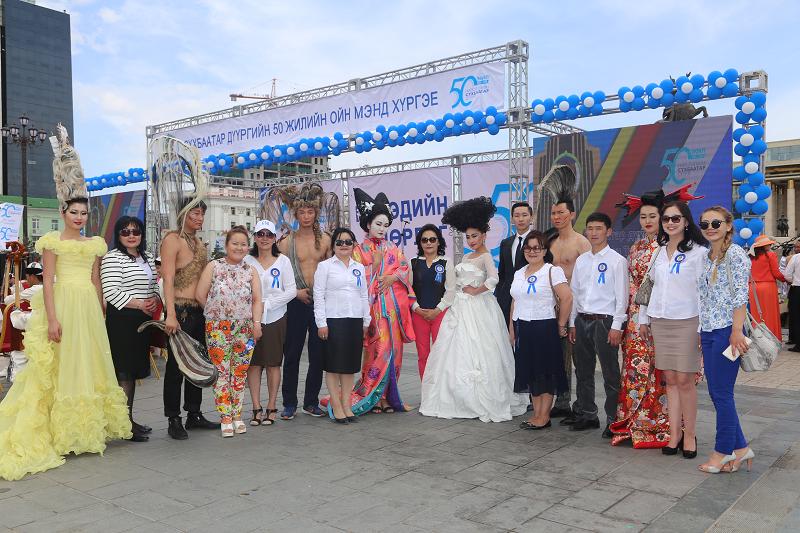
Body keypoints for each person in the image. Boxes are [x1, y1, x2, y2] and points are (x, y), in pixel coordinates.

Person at [0, 126, 131, 480]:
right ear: (64, 212)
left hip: (88, 306)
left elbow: (96, 279)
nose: (79, 218)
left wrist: (101, 308)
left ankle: (88, 429)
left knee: (89, 361)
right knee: (63, 363)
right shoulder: (52, 242)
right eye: (74, 212)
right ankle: (62, 430)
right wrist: (53, 320)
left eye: (84, 213)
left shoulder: (95, 244)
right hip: (64, 304)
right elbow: (48, 282)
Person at [420, 197, 528, 422]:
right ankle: (456, 397)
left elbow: (494, 279)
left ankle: (482, 398)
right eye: (468, 237)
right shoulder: (467, 256)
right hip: (461, 307)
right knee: (456, 350)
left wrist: (476, 291)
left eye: (475, 236)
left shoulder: (486, 256)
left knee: (483, 348)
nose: (471, 240)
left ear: (484, 235)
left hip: (480, 307)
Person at [610, 186, 701, 448]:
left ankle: (666, 426)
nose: (648, 221)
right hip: (640, 316)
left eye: (654, 216)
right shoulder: (637, 247)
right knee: (637, 371)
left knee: (667, 375)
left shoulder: (672, 247)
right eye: (643, 217)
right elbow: (636, 286)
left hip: (674, 317)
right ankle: (636, 422)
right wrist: (633, 317)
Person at [335, 188, 415, 415]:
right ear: (368, 224)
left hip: (392, 311)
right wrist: (376, 266)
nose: (382, 229)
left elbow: (404, 269)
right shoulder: (358, 251)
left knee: (395, 353)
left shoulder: (394, 249)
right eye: (378, 224)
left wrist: (392, 278)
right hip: (373, 310)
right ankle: (372, 396)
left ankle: (387, 398)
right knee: (378, 350)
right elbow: (356, 279)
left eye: (385, 225)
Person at [639, 201, 708, 459]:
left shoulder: (699, 253)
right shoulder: (658, 252)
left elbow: (704, 292)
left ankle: (690, 435)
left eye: (675, 218)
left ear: (686, 221)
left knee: (685, 381)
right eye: (666, 219)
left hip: (688, 321)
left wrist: (702, 327)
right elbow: (649, 287)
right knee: (670, 380)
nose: (670, 223)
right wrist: (643, 319)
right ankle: (674, 435)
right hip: (660, 321)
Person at [697, 206, 754, 473]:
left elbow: (740, 296)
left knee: (722, 394)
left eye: (716, 223)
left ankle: (722, 452)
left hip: (728, 331)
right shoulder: (707, 256)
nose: (710, 228)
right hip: (709, 330)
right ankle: (740, 448)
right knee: (716, 392)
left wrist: (736, 331)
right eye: (705, 224)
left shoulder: (736, 254)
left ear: (728, 225)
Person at [160, 198, 220, 439]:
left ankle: (194, 413)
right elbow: (168, 278)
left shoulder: (198, 242)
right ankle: (173, 418)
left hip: (199, 311)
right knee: (176, 367)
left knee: (199, 363)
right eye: (194, 213)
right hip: (180, 310)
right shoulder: (172, 239)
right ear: (183, 214)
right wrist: (170, 314)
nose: (199, 218)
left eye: (201, 214)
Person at [195, 226, 262, 437]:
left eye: (243, 244)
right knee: (221, 372)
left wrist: (257, 323)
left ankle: (237, 415)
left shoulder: (251, 271)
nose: (239, 248)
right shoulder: (214, 266)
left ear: (248, 247)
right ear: (226, 245)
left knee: (240, 372)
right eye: (235, 243)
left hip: (245, 329)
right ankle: (225, 417)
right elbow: (200, 295)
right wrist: (216, 312)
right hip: (217, 329)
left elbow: (257, 300)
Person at [567, 212, 628, 437]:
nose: (593, 233)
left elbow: (622, 297)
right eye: (590, 228)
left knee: (610, 374)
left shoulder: (617, 261)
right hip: (582, 320)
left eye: (598, 228)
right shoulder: (582, 260)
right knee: (583, 371)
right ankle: (587, 414)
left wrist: (617, 326)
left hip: (605, 322)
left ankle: (613, 420)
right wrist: (572, 322)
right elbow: (574, 292)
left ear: (608, 231)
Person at [100, 216, 160, 443]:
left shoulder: (148, 257)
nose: (131, 235)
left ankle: (129, 420)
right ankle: (125, 425)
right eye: (125, 232)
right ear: (118, 235)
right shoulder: (112, 258)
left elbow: (154, 286)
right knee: (124, 373)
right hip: (122, 321)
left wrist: (154, 299)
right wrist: (139, 303)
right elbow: (110, 291)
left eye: (136, 231)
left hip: (142, 321)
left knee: (133, 372)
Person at [276, 184, 332, 419]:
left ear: (316, 213)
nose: (306, 216)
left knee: (318, 355)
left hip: (319, 302)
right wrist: (295, 292)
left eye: (310, 212)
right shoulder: (285, 242)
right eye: (302, 212)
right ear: (296, 214)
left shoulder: (326, 240)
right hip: (296, 301)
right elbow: (278, 276)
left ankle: (311, 402)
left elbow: (332, 271)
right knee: (292, 353)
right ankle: (289, 403)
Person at [509, 231, 573, 430]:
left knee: (545, 373)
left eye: (537, 247)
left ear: (545, 250)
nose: (532, 251)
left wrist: (561, 324)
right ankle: (536, 414)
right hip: (523, 327)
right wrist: (512, 328)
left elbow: (567, 298)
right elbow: (515, 301)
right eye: (528, 248)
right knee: (531, 372)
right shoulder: (519, 273)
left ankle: (544, 416)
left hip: (544, 327)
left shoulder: (552, 271)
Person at [313, 228, 371, 423]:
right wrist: (321, 323)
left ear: (354, 244)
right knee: (333, 365)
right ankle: (336, 405)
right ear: (333, 245)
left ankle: (347, 405)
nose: (344, 245)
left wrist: (366, 320)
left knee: (349, 366)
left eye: (348, 242)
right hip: (333, 321)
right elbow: (318, 295)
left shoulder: (359, 267)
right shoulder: (325, 267)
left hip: (355, 320)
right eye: (339, 242)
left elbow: (363, 295)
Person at [244, 220, 297, 426]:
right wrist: (255, 306)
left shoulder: (283, 261)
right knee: (254, 364)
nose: (264, 238)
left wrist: (268, 304)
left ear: (275, 238)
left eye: (268, 234)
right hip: (251, 318)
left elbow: (291, 290)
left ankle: (272, 405)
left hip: (276, 317)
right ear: (255, 237)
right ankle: (256, 407)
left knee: (273, 363)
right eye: (260, 234)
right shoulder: (247, 260)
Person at [548, 196, 591, 422]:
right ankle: (562, 402)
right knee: (559, 358)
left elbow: (588, 280)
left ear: (572, 214)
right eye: (554, 213)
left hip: (577, 309)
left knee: (580, 361)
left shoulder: (581, 243)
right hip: (552, 308)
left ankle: (583, 407)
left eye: (561, 213)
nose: (557, 217)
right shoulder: (550, 242)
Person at [410, 224, 455, 379]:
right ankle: (426, 388)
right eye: (424, 240)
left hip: (440, 315)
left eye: (432, 239)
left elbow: (451, 291)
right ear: (420, 243)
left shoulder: (446, 262)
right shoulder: (413, 262)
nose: (428, 243)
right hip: (418, 315)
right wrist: (416, 308)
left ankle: (440, 389)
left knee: (441, 354)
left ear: (438, 241)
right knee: (423, 355)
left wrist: (438, 310)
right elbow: (408, 290)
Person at [3, 262, 44, 382]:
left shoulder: (34, 289)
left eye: (27, 277)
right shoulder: (49, 286)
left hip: (33, 328)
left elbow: (8, 300)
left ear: (32, 276)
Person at [496, 202, 534, 324]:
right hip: (506, 298)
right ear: (512, 219)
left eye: (524, 215)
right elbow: (502, 273)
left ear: (531, 217)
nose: (521, 219)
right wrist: (499, 295)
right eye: (517, 216)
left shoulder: (538, 242)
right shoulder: (505, 243)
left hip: (529, 296)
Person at [748, 234, 786, 340]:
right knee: (770, 314)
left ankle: (759, 339)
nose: (770, 246)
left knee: (757, 314)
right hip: (768, 287)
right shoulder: (770, 255)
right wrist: (786, 280)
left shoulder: (750, 256)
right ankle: (773, 339)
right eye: (768, 244)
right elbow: (776, 273)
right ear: (764, 245)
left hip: (753, 287)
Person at [782, 241, 800, 351]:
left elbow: (787, 275)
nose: (796, 248)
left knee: (796, 316)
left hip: (797, 289)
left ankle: (798, 343)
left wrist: (793, 280)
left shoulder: (795, 258)